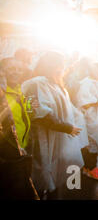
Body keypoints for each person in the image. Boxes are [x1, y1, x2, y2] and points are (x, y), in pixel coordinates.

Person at [21, 51, 88, 198]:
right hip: (43, 141)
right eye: (61, 65)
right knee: (41, 178)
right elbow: (34, 112)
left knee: (59, 176)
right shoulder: (34, 84)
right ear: (52, 66)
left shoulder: (57, 85)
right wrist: (67, 127)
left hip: (61, 140)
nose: (63, 69)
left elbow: (68, 109)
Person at [0, 58, 39, 199]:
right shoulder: (3, 94)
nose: (15, 72)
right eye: (11, 68)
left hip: (24, 144)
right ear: (2, 72)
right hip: (9, 152)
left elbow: (26, 115)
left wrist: (31, 107)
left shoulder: (19, 90)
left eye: (18, 69)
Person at [74, 58, 98, 181]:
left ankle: (88, 168)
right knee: (91, 143)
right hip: (88, 118)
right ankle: (91, 168)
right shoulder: (85, 83)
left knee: (95, 141)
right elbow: (84, 102)